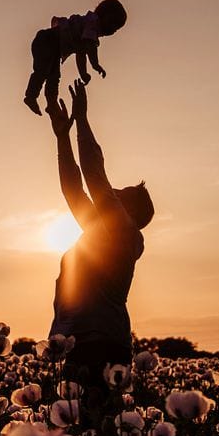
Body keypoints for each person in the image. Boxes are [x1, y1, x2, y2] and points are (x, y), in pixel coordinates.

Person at [46, 80, 152, 394]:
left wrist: (81, 120)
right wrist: (62, 136)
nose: (111, 193)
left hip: (102, 343)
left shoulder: (124, 235)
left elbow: (94, 175)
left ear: (128, 211)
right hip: (77, 340)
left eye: (119, 196)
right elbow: (73, 188)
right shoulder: (97, 233)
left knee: (97, 429)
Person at [24, 0, 127, 116]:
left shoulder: (87, 32)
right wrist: (95, 65)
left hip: (54, 48)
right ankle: (31, 96)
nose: (112, 30)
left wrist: (83, 74)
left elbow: (81, 53)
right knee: (43, 71)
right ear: (102, 14)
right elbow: (90, 47)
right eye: (112, 23)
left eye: (116, 29)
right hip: (47, 40)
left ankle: (51, 103)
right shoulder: (92, 23)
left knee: (54, 77)